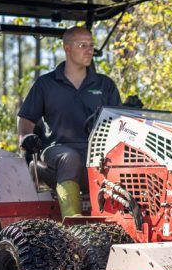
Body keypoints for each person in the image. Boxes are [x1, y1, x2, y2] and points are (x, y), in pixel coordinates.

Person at [17, 26, 121, 218]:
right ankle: (73, 222)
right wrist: (26, 138)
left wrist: (131, 111)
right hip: (57, 150)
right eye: (83, 45)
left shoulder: (105, 85)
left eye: (91, 45)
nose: (89, 50)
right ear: (67, 48)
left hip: (97, 151)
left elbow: (120, 122)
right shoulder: (46, 84)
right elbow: (26, 119)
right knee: (69, 158)